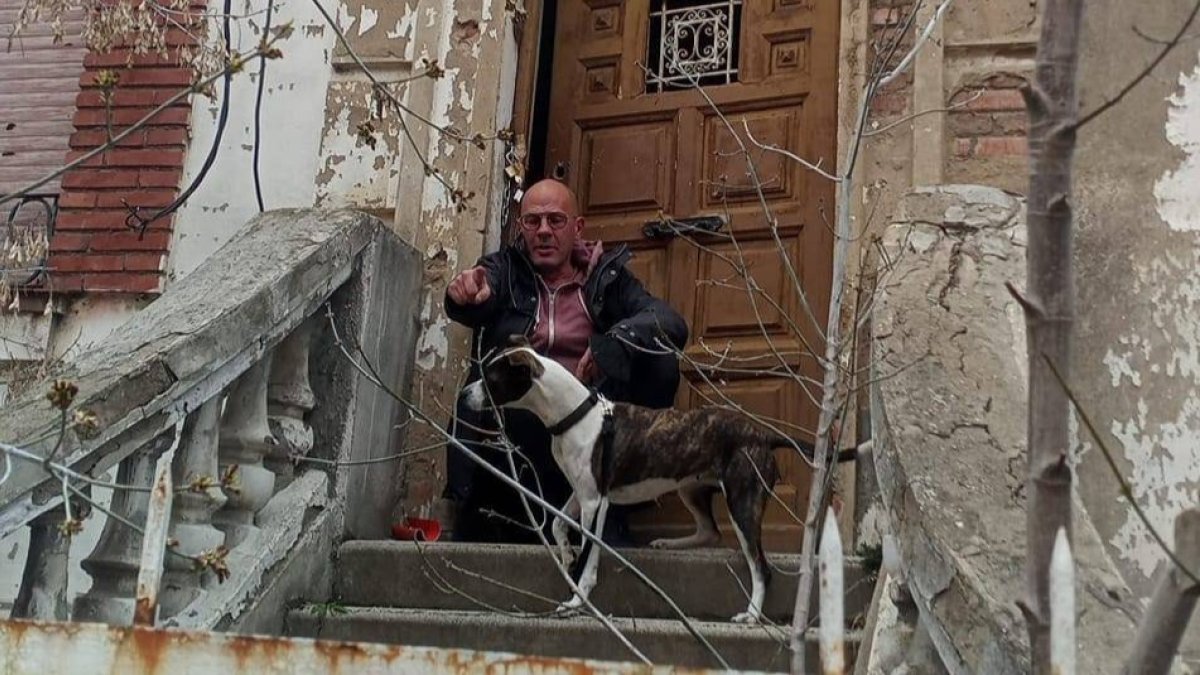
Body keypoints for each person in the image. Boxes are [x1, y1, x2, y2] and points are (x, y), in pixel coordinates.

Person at [441, 178, 688, 545]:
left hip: (588, 430)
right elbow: (481, 291)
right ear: (521, 228)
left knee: (660, 360)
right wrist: (465, 294)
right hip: (518, 427)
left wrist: (614, 345)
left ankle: (615, 502)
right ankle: (501, 518)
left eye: (555, 220)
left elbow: (668, 321)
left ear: (577, 227)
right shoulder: (504, 270)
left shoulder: (608, 277)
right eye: (532, 221)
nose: (543, 231)